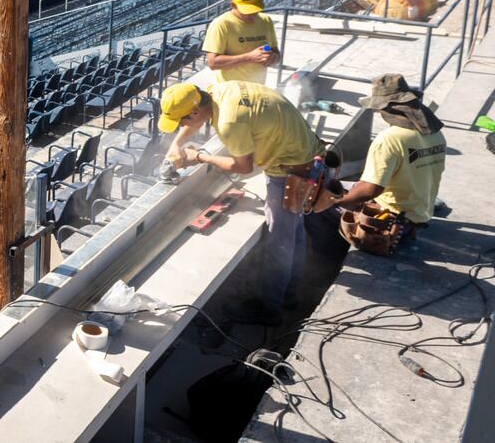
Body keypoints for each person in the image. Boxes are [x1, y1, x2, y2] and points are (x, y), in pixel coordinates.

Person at [160, 79, 320, 324]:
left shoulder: (229, 122)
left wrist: (199, 157)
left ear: (194, 111)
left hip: (290, 168)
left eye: (183, 121)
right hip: (302, 150)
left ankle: (269, 308)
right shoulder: (216, 91)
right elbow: (197, 120)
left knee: (280, 240)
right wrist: (177, 144)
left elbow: (243, 167)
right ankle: (289, 293)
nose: (182, 125)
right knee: (293, 230)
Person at [315, 74, 446, 247]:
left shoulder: (389, 139)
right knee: (344, 187)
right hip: (420, 215)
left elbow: (371, 189)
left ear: (388, 108)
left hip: (393, 222)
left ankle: (327, 260)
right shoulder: (436, 134)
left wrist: (335, 202)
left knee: (315, 209)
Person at [202, 0, 279, 85]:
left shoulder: (266, 20)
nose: (252, 14)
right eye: (247, 11)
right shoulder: (221, 24)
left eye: (255, 9)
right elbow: (212, 63)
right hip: (230, 91)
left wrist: (272, 58)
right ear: (233, 5)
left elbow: (276, 54)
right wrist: (250, 57)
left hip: (257, 89)